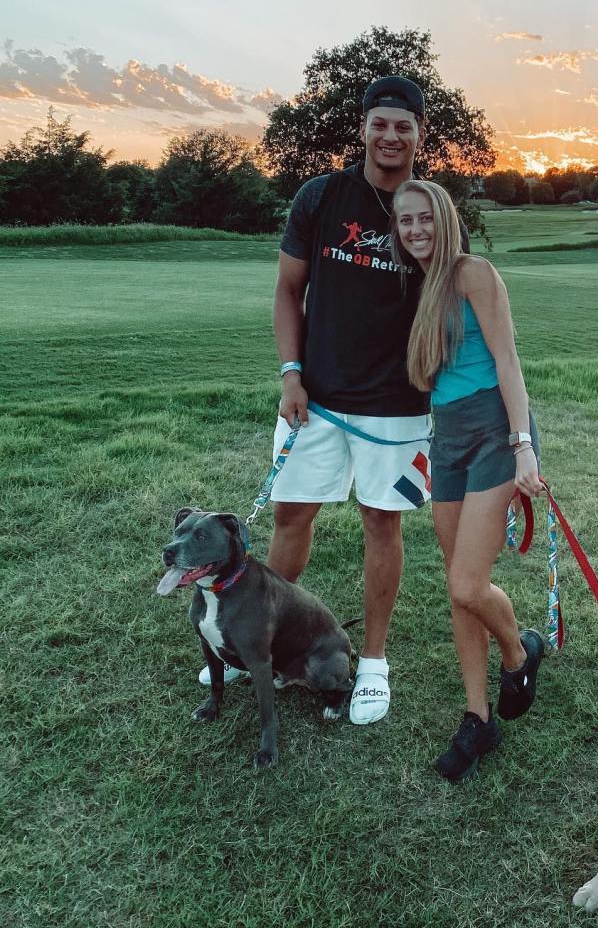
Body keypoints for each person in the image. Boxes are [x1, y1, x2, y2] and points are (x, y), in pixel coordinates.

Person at [200, 76, 448, 726]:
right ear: (363, 128)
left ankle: (373, 663)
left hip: (398, 408)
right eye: (380, 123)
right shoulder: (322, 197)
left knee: (382, 523)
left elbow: (452, 310)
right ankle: (268, 644)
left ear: (421, 134)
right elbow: (287, 291)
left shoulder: (432, 208)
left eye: (405, 125)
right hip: (316, 398)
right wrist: (290, 374)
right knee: (290, 519)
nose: (391, 135)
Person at [391, 179, 546, 782]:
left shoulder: (473, 273)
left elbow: (508, 361)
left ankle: (518, 652)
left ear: (444, 218)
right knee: (459, 587)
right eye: (404, 222)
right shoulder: (418, 286)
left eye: (423, 218)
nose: (415, 230)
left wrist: (523, 445)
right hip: (447, 434)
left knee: (466, 582)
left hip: (494, 430)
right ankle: (478, 718)